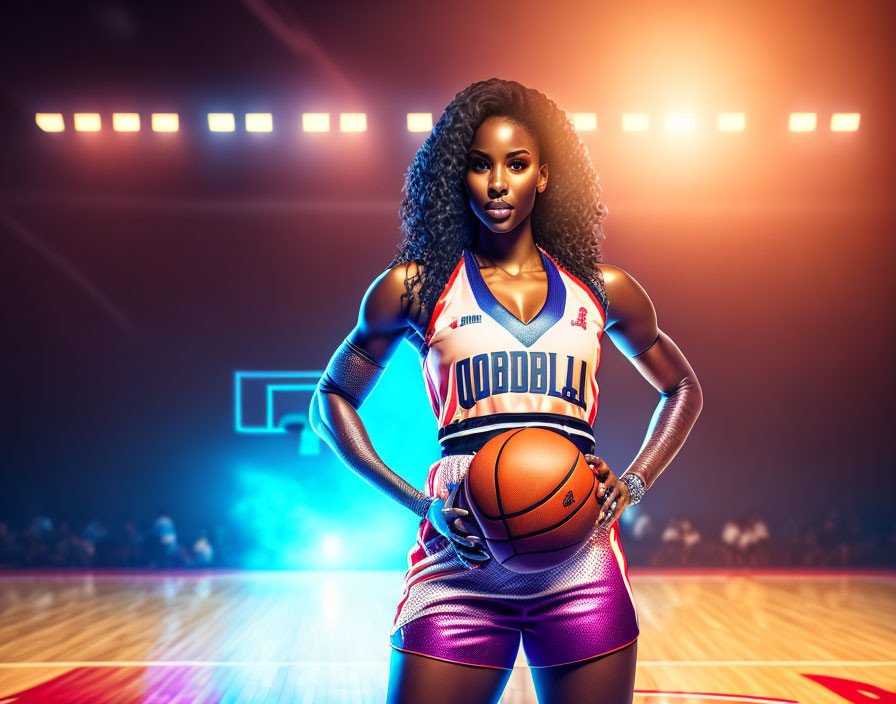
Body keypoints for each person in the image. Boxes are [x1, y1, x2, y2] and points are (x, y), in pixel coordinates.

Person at [309, 78, 703, 704]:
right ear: (455, 177)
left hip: (579, 554)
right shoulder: (413, 286)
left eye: (516, 165)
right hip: (460, 549)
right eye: (479, 165)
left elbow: (682, 388)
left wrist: (633, 482)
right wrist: (419, 502)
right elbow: (329, 400)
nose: (497, 183)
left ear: (543, 176)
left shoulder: (602, 288)